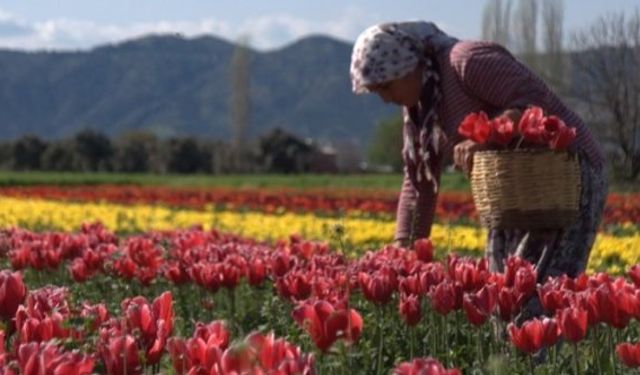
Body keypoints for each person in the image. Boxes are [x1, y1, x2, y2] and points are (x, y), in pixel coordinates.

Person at [349, 21, 608, 322]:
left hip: (565, 175)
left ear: (409, 65)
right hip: (512, 194)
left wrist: (485, 134)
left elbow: (539, 106)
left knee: (540, 296)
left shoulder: (466, 61)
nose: (385, 98)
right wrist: (404, 252)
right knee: (502, 297)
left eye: (386, 85)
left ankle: (539, 366)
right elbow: (419, 185)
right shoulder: (422, 110)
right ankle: (513, 366)